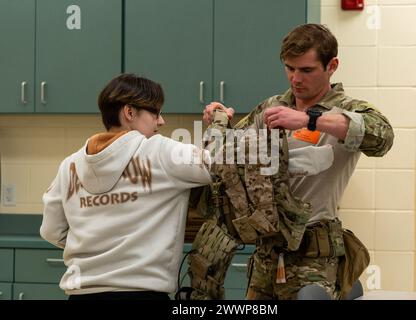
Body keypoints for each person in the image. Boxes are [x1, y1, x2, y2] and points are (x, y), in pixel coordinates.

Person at [202, 24, 394, 299]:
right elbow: (227, 155)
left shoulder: (347, 109)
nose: (295, 78)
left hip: (314, 257)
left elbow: (383, 136)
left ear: (332, 66)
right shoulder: (272, 106)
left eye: (306, 70)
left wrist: (309, 119)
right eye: (289, 68)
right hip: (267, 255)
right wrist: (220, 120)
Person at [40, 74, 214, 300]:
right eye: (155, 112)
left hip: (81, 293)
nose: (161, 121)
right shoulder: (160, 151)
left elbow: (50, 231)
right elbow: (222, 165)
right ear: (129, 113)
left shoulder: (69, 166)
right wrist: (218, 125)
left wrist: (97, 244)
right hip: (142, 293)